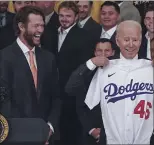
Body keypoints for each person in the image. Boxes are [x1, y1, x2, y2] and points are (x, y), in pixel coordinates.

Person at [85, 20, 153, 144]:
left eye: (135, 40)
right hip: (112, 139)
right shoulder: (105, 68)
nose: (131, 44)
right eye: (126, 39)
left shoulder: (151, 68)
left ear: (141, 41)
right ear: (117, 41)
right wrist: (91, 63)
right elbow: (85, 101)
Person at [0, 6, 61, 145]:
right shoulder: (4, 57)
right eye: (36, 26)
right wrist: (25, 133)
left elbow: (56, 97)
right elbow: (4, 101)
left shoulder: (48, 58)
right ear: (21, 26)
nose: (40, 30)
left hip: (45, 135)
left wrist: (49, 128)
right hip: (15, 136)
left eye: (42, 26)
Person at [56, 1, 95, 145]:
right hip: (53, 92)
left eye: (68, 16)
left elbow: (84, 70)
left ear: (76, 17)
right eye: (61, 15)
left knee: (70, 132)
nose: (64, 19)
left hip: (72, 94)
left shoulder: (85, 37)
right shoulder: (51, 33)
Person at [65, 38, 117, 145]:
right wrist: (91, 129)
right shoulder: (87, 71)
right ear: (94, 52)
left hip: (115, 133)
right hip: (89, 134)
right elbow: (70, 89)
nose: (103, 54)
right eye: (99, 51)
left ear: (113, 52)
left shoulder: (121, 72)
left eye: (107, 51)